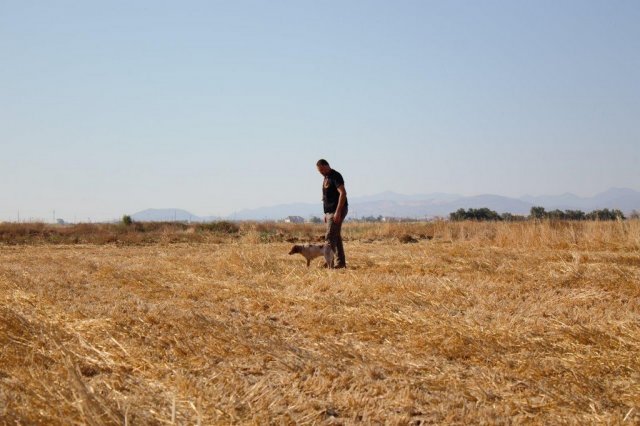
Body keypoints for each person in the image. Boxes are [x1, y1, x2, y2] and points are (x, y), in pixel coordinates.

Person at [316, 159, 348, 268]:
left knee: (329, 236)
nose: (321, 173)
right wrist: (326, 213)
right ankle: (341, 263)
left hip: (337, 210)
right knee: (336, 237)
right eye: (319, 171)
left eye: (321, 170)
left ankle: (329, 262)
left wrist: (338, 211)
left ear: (326, 166)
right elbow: (326, 198)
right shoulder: (326, 178)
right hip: (330, 212)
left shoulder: (335, 176)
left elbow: (343, 193)